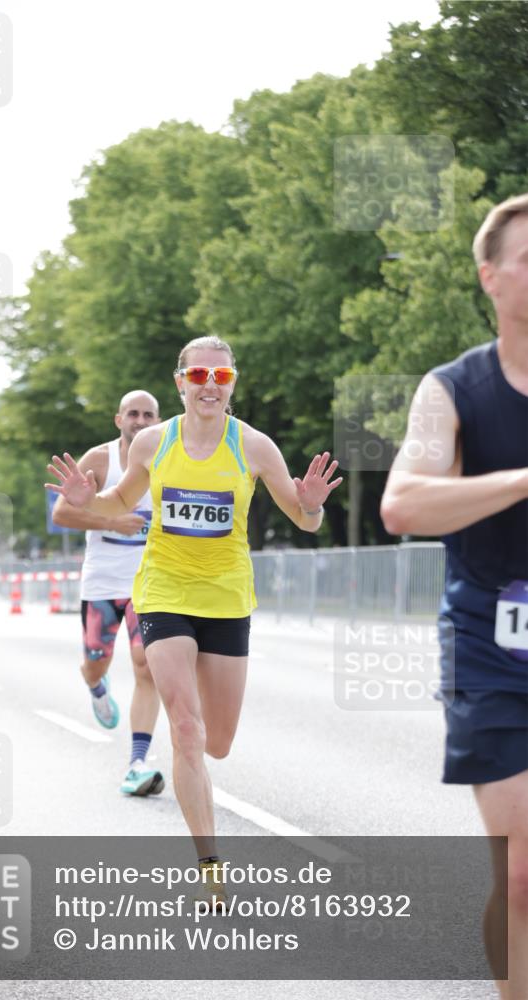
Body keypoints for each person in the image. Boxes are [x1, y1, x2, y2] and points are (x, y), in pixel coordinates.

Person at [46, 335, 342, 906]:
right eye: (199, 376)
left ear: (232, 383)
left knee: (220, 742)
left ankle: (197, 753)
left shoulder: (255, 447)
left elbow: (305, 521)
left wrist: (311, 502)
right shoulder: (154, 442)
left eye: (221, 377)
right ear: (180, 382)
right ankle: (209, 864)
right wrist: (89, 499)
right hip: (163, 590)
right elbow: (117, 503)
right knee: (185, 727)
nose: (210, 386)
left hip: (227, 598)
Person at [380, 193, 528, 999]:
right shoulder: (450, 391)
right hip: (492, 644)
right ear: (490, 277)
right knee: (520, 878)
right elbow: (402, 504)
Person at [52, 390, 164, 797]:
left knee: (145, 666)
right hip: (102, 581)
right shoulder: (100, 460)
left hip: (148, 582)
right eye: (133, 413)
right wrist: (114, 522)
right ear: (119, 419)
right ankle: (96, 687)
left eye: (148, 414)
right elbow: (61, 512)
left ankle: (137, 761)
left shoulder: (169, 457)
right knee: (96, 662)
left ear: (158, 421)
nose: (140, 420)